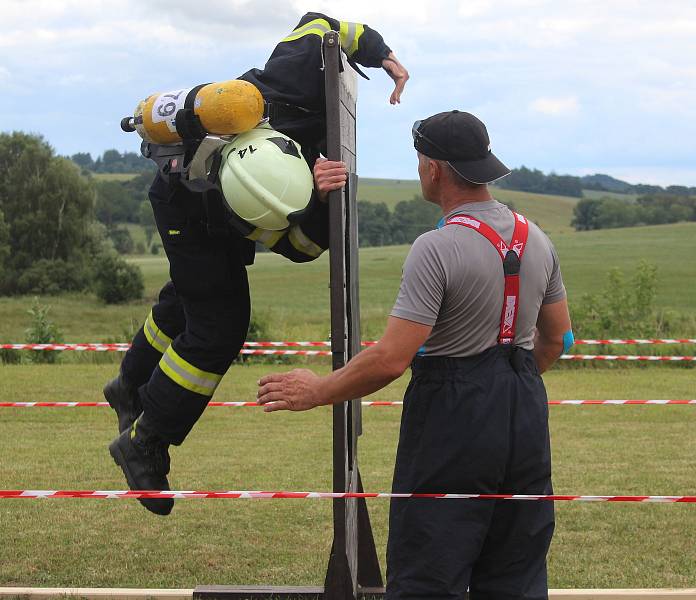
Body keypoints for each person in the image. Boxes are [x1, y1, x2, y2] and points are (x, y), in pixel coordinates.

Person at [257, 110, 573, 599]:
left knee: (430, 567)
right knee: (516, 569)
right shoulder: (538, 239)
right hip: (525, 407)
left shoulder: (437, 247)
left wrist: (318, 390)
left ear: (434, 169)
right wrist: (509, 385)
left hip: (453, 413)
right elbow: (557, 340)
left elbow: (390, 359)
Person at [105, 12, 409, 517]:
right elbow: (295, 246)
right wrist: (315, 204)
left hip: (226, 194)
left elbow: (320, 22)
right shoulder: (237, 201)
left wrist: (382, 53)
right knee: (218, 324)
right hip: (183, 202)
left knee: (192, 292)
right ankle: (145, 439)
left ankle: (130, 383)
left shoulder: (292, 83)